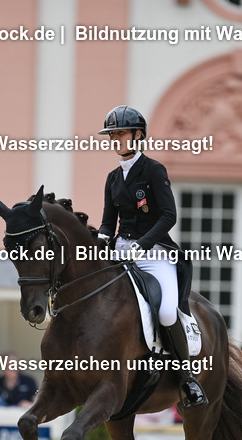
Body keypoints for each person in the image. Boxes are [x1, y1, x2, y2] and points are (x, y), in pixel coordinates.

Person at [97, 105, 206, 409]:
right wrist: (103, 237)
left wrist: (142, 244)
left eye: (120, 133)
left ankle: (187, 377)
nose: (115, 139)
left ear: (137, 135)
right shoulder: (113, 178)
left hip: (155, 254)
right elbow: (109, 220)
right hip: (121, 253)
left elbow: (169, 216)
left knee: (168, 312)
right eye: (112, 135)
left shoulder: (154, 170)